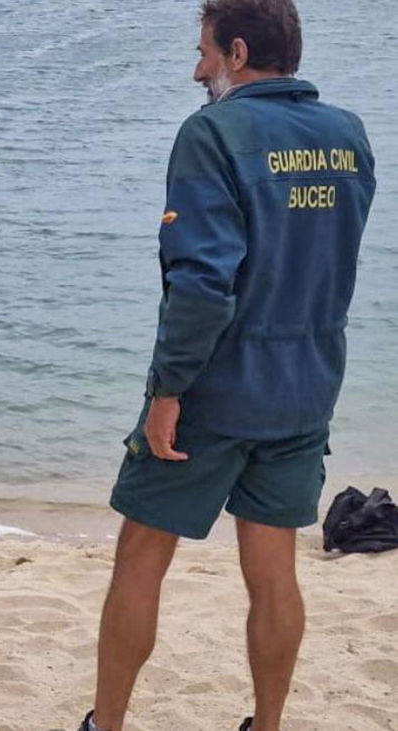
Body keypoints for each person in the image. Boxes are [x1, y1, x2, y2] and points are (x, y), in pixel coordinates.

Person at [80, 2, 375, 730]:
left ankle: (106, 724)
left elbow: (204, 280)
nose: (197, 69)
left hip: (215, 388)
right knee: (275, 571)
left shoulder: (213, 133)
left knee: (142, 554)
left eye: (205, 52)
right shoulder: (348, 137)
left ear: (238, 53)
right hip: (306, 387)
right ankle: (266, 724)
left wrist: (167, 388)